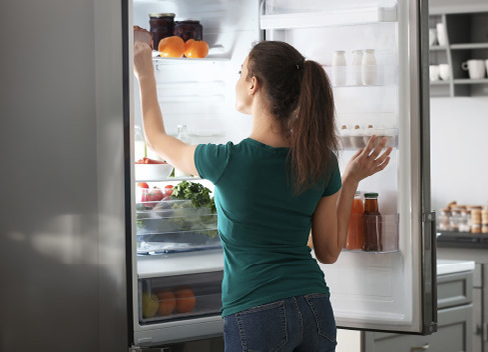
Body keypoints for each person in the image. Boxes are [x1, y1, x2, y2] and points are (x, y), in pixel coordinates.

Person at [133, 30, 391, 352]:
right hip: (315, 308)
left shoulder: (226, 160)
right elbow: (328, 252)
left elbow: (156, 139)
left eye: (241, 73)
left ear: (254, 84)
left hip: (256, 312)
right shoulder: (320, 160)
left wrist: (144, 73)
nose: (238, 80)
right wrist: (349, 179)